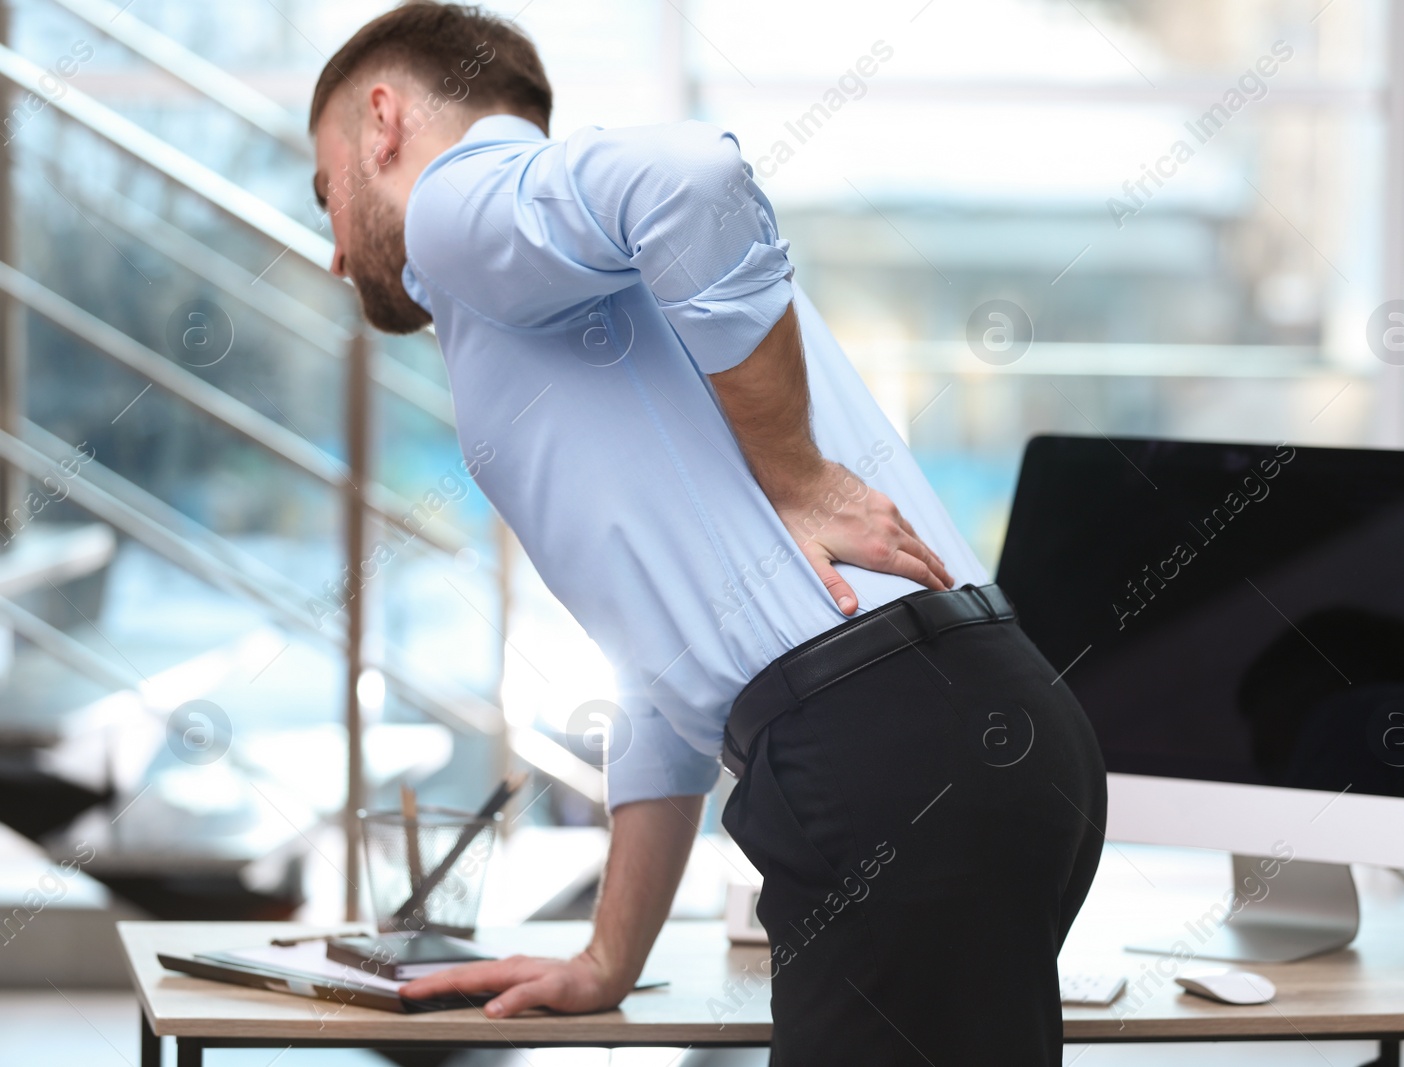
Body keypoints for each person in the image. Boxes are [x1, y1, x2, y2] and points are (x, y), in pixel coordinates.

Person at [308, 4, 1105, 1063]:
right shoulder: (540, 290)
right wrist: (607, 958)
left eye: (326, 194)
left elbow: (694, 180)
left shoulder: (455, 206)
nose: (331, 250)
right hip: (982, 725)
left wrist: (797, 474)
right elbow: (667, 681)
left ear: (382, 121)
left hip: (880, 750)